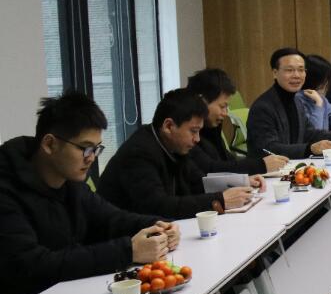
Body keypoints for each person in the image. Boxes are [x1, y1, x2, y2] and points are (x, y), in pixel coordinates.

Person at [0, 92, 177, 294]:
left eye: (96, 149)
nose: (91, 157)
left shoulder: (71, 182)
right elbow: (34, 266)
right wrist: (128, 251)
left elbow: (112, 219)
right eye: (85, 148)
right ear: (49, 144)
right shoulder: (7, 189)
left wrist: (158, 225)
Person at [99, 89, 263, 220]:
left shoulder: (174, 145)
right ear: (169, 126)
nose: (197, 139)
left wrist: (241, 182)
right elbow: (159, 206)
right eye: (193, 131)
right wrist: (219, 200)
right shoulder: (138, 153)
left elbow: (198, 181)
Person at [248, 48, 331, 159]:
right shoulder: (263, 107)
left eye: (301, 70)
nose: (296, 75)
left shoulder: (296, 101)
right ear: (275, 73)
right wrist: (309, 148)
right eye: (289, 70)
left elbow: (310, 134)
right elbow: (269, 148)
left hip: (295, 165)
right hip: (269, 173)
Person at [186, 68, 288, 175]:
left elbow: (226, 161)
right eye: (222, 106)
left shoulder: (211, 127)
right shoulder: (188, 134)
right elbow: (210, 168)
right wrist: (260, 165)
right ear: (202, 101)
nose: (225, 113)